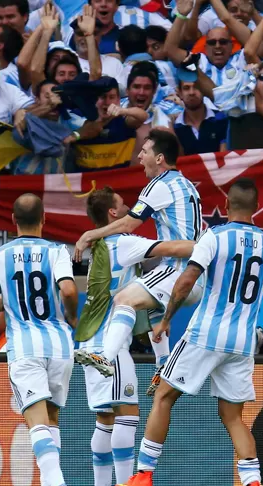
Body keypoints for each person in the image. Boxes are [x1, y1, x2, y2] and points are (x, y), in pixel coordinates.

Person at [115, 178, 263, 486]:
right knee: (233, 416)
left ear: (226, 203)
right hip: (242, 342)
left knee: (164, 395)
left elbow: (187, 280)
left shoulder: (214, 236)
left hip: (205, 334)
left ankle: (143, 476)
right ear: (256, 206)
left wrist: (166, 319)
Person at [75, 187, 196, 486]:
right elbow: (172, 247)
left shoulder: (101, 246)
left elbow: (149, 301)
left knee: (105, 418)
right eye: (122, 205)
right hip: (108, 345)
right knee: (128, 416)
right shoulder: (124, 243)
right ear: (113, 215)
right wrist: (210, 246)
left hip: (89, 339)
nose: (129, 209)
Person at [0, 193, 79, 486]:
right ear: (44, 219)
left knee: (35, 422)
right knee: (52, 420)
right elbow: (69, 291)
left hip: (25, 347)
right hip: (60, 344)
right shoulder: (57, 251)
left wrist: (4, 301)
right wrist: (72, 318)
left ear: (13, 221)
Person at [73, 130, 202, 380]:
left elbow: (129, 224)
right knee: (149, 304)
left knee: (124, 298)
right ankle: (163, 365)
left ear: (160, 158)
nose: (140, 156)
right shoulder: (187, 185)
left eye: (145, 151)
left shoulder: (160, 184)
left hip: (179, 269)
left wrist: (91, 234)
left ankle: (106, 358)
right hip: (194, 274)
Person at [173, 77, 228, 154]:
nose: (191, 92)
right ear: (180, 93)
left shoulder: (221, 119)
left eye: (196, 87)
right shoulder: (175, 127)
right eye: (186, 88)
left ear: (204, 90)